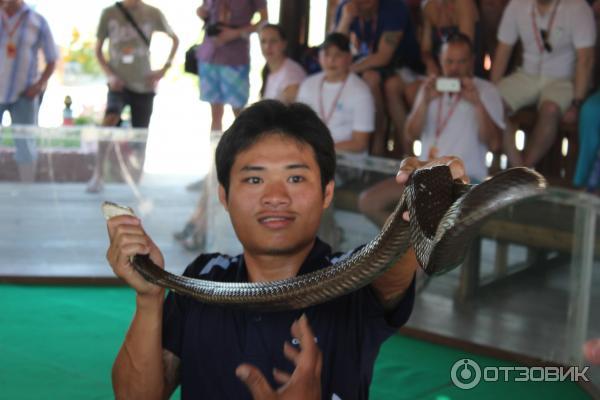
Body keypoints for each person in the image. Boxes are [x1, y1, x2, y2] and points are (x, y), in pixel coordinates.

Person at [105, 99, 469, 398]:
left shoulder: (353, 277)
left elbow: (391, 271)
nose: (275, 197)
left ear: (326, 192)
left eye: (295, 178)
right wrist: (150, 298)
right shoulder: (202, 279)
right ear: (224, 196)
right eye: (254, 179)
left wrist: (425, 201)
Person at [359, 33, 503, 228]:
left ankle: (417, 249)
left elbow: (494, 143)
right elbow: (411, 134)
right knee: (368, 202)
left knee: (428, 218)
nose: (455, 68)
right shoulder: (430, 88)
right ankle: (411, 248)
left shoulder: (486, 91)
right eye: (449, 61)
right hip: (424, 176)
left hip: (465, 180)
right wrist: (424, 102)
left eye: (461, 62)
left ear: (472, 61)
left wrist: (477, 104)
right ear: (440, 61)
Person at [86, 0, 179, 193]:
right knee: (109, 121)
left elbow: (174, 39)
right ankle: (98, 174)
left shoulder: (153, 13)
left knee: (141, 131)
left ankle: (136, 178)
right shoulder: (109, 13)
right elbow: (98, 49)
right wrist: (110, 75)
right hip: (118, 83)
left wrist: (164, 69)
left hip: (144, 83)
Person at [490, 0, 596, 168]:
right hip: (526, 75)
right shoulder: (517, 5)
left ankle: (524, 169)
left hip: (563, 78)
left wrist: (577, 103)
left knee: (550, 109)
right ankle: (518, 168)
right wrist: (491, 90)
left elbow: (585, 59)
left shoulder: (578, 7)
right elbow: (503, 50)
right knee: (493, 103)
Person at [335, 0, 422, 157]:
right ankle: (375, 143)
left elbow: (383, 57)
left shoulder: (395, 8)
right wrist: (345, 20)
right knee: (370, 77)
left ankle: (404, 151)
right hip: (364, 66)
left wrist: (348, 70)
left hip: (402, 65)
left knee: (383, 83)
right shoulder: (346, 8)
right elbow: (334, 47)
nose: (363, 4)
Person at [0, 0, 57, 182]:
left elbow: (52, 58)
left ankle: (27, 187)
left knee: (26, 143)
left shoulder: (37, 20)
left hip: (24, 94)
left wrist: (38, 85)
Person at [195, 0, 268, 132]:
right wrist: (201, 12)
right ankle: (216, 147)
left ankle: (241, 146)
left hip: (235, 58)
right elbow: (205, 8)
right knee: (215, 113)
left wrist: (237, 32)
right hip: (209, 54)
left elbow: (264, 20)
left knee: (238, 111)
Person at [297, 32, 375, 154]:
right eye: (326, 54)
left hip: (348, 163)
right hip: (312, 156)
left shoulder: (361, 91)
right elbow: (298, 128)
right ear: (319, 57)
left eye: (338, 55)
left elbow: (360, 143)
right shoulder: (308, 85)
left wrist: (322, 150)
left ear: (349, 58)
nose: (331, 60)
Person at [259, 24, 306, 104]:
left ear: (284, 44)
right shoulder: (268, 70)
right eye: (263, 41)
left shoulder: (291, 74)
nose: (267, 46)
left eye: (273, 41)